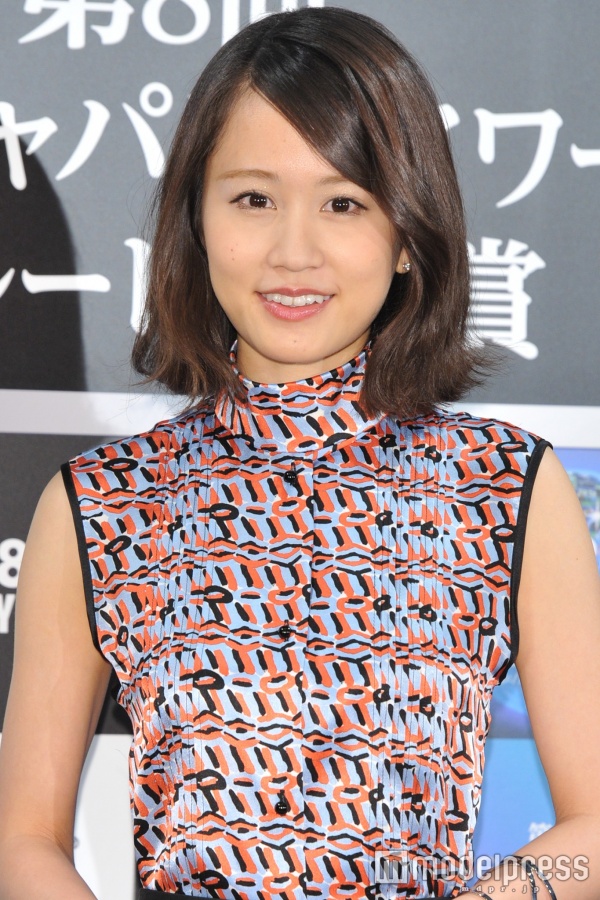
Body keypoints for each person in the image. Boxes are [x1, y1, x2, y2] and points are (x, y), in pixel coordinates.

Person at [0, 6, 599, 900]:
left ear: (407, 236)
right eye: (253, 199)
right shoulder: (105, 503)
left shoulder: (505, 488)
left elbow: (592, 833)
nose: (293, 251)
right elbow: (24, 841)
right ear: (196, 220)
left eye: (343, 203)